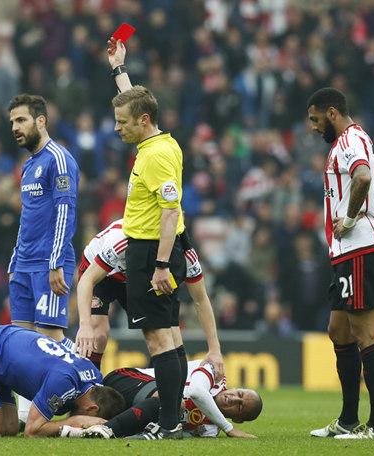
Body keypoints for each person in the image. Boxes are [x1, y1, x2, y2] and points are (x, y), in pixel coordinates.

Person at [107, 37, 188, 439]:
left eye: (123, 122)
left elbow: (171, 211)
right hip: (160, 249)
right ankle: (175, 419)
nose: (117, 128)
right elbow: (135, 102)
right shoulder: (159, 140)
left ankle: (168, 423)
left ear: (142, 121)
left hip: (151, 251)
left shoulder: (154, 156)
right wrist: (120, 70)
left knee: (158, 339)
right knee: (171, 336)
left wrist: (158, 264)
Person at [307, 88, 374, 439]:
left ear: (332, 112)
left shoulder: (348, 141)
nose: (312, 127)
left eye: (315, 119)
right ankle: (346, 419)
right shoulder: (354, 140)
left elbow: (364, 177)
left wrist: (353, 216)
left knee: (365, 333)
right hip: (346, 251)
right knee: (338, 330)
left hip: (361, 247)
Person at [74, 219, 223, 379]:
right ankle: (89, 386)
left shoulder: (186, 256)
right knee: (99, 334)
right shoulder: (122, 240)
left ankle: (163, 391)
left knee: (165, 336)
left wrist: (215, 350)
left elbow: (200, 299)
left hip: (134, 277)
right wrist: (84, 325)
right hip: (99, 271)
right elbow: (87, 280)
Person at [6, 94, 79, 345]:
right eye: (13, 122)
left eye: (21, 120)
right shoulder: (27, 166)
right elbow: (28, 216)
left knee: (50, 340)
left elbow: (65, 211)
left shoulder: (59, 159)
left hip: (49, 263)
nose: (15, 127)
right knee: (23, 346)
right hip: (24, 264)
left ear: (41, 121)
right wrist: (15, 262)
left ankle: (86, 372)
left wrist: (55, 262)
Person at [69, 359, 261, 439]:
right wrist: (229, 429)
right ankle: (108, 430)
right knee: (171, 401)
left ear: (238, 417)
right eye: (240, 394)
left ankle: (73, 430)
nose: (234, 398)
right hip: (125, 379)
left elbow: (173, 431)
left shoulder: (210, 430)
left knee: (90, 418)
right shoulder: (215, 374)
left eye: (240, 406)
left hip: (135, 410)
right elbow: (195, 392)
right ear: (237, 387)